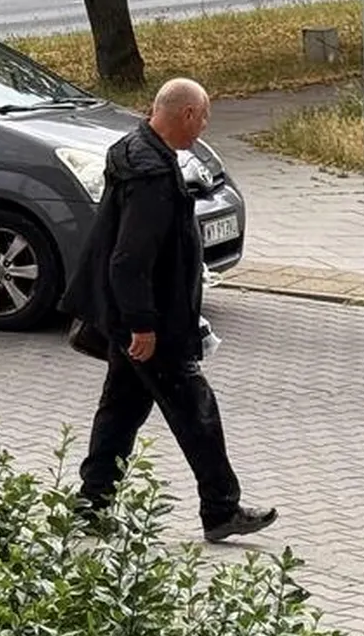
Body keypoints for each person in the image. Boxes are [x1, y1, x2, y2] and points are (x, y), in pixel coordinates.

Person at [73, 78, 276, 542]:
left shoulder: (136, 151)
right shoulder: (153, 177)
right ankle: (221, 508)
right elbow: (130, 259)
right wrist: (143, 325)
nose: (203, 129)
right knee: (197, 412)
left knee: (120, 411)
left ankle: (91, 504)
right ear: (186, 115)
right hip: (154, 324)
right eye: (203, 118)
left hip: (137, 318)